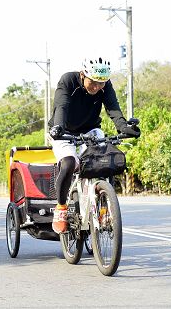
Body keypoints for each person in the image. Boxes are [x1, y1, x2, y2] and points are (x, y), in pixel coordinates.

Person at [48, 56, 141, 234]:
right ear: (83, 75)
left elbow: (113, 109)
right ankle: (61, 208)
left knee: (105, 162)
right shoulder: (68, 80)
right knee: (68, 163)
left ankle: (104, 208)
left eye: (101, 83)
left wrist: (124, 127)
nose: (97, 87)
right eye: (94, 82)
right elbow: (62, 106)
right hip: (63, 131)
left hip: (90, 130)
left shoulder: (105, 86)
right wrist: (58, 127)